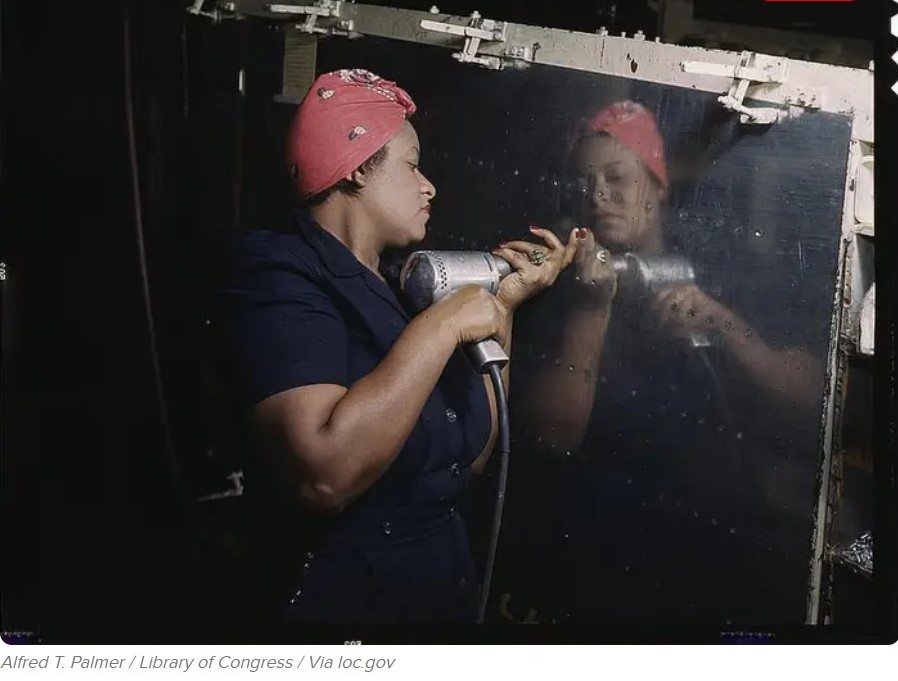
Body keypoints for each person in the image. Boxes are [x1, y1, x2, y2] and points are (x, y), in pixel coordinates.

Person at [214, 68, 578, 625]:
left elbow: (473, 458)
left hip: (437, 590)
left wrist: (502, 306)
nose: (429, 185)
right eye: (411, 165)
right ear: (359, 166)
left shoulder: (395, 287)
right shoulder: (280, 274)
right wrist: (442, 327)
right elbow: (323, 475)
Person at [499, 100, 823, 624]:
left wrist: (722, 324)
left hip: (701, 550)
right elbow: (553, 434)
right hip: (586, 552)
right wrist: (591, 307)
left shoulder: (721, 264)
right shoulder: (554, 283)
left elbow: (812, 395)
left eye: (617, 176)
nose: (599, 193)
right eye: (585, 180)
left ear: (658, 185)